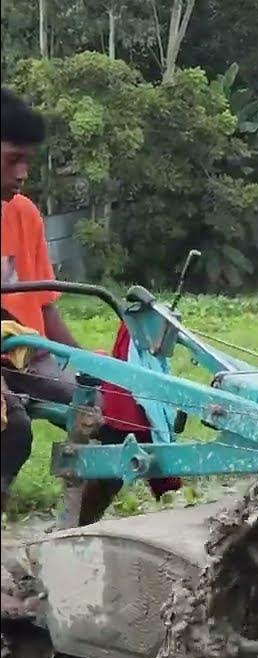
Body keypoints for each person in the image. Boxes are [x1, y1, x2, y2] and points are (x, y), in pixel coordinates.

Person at [1, 87, 80, 514]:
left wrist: (88, 367)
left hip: (28, 351)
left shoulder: (24, 214)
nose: (23, 172)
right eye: (14, 158)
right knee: (10, 426)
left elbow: (45, 306)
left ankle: (78, 530)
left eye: (28, 161)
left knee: (106, 406)